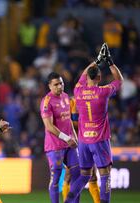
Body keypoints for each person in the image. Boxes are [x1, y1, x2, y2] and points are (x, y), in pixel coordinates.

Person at [65, 43, 123, 203]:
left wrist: (97, 61)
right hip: (100, 140)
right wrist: (109, 62)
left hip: (84, 141)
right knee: (105, 174)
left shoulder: (78, 91)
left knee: (85, 175)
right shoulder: (103, 92)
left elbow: (82, 76)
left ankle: (68, 201)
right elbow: (119, 80)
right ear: (99, 78)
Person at [40, 72, 80, 203]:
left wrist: (74, 137)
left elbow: (68, 121)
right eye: (56, 84)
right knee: (57, 176)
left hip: (69, 145)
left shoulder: (66, 97)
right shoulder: (47, 101)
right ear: (49, 86)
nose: (59, 86)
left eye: (61, 83)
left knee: (78, 175)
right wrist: (66, 138)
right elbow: (49, 126)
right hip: (55, 146)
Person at [62, 98, 100, 203]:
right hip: (73, 143)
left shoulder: (91, 102)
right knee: (69, 175)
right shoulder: (69, 103)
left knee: (92, 175)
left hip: (87, 140)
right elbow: (69, 125)